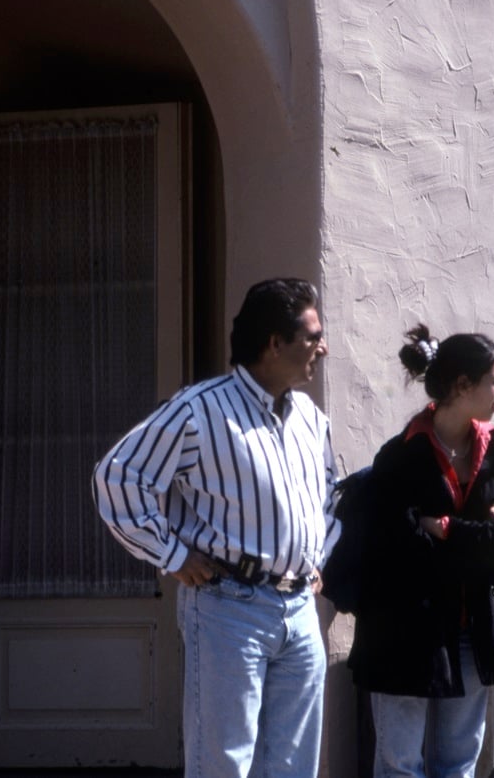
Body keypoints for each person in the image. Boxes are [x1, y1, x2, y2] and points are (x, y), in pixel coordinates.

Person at [93, 278, 340, 778]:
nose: (323, 347)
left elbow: (332, 495)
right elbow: (119, 477)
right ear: (274, 343)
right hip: (230, 606)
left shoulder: (310, 418)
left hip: (299, 610)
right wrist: (172, 555)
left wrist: (319, 555)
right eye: (313, 336)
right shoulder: (200, 410)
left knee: (294, 768)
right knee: (224, 764)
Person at [348, 324, 494, 778]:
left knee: (458, 763)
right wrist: (483, 532)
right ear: (462, 386)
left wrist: (449, 529)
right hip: (403, 628)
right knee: (399, 764)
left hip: (473, 627)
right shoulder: (402, 455)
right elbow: (396, 545)